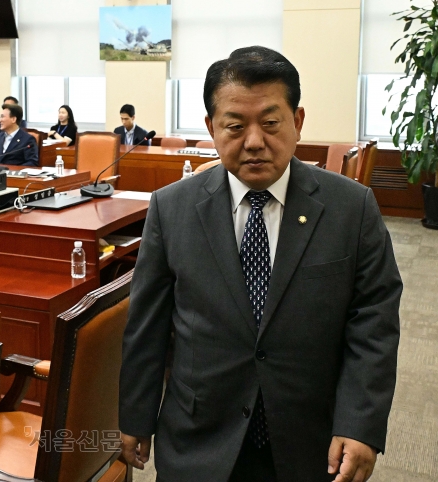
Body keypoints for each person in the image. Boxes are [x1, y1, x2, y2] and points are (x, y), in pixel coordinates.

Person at [119, 46, 402, 482]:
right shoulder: (171, 208)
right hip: (198, 437)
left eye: (271, 124)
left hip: (310, 440)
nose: (254, 142)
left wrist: (359, 423)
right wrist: (135, 414)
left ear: (298, 122)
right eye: (235, 126)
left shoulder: (352, 207)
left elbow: (374, 321)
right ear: (212, 128)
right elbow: (147, 325)